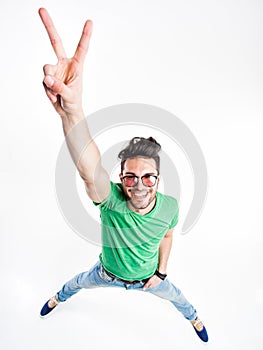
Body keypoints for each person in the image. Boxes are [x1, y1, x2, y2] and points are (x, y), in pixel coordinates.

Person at [38, 8, 208, 343]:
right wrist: (73, 111)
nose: (139, 184)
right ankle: (58, 297)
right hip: (106, 273)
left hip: (149, 279)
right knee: (76, 283)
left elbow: (168, 237)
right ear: (121, 178)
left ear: (158, 178)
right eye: (131, 177)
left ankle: (197, 319)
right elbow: (89, 169)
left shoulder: (170, 206)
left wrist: (161, 273)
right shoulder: (111, 200)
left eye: (148, 177)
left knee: (181, 301)